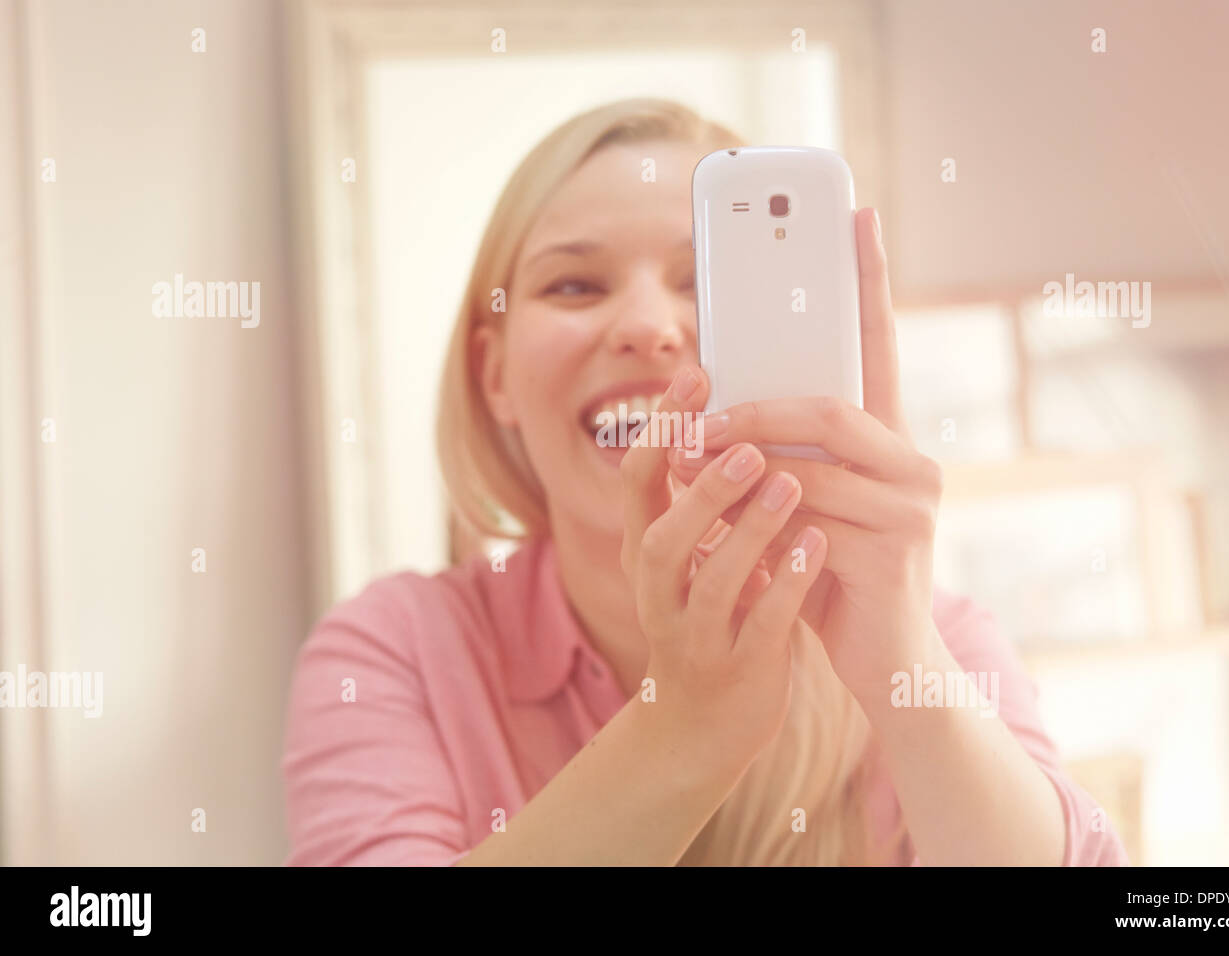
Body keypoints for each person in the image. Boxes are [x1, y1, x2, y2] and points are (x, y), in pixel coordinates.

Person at [281, 97, 1129, 866]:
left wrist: (903, 668)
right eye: (575, 284)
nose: (648, 328)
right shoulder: (397, 652)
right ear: (493, 373)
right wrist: (680, 731)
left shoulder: (936, 641)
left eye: (704, 285)